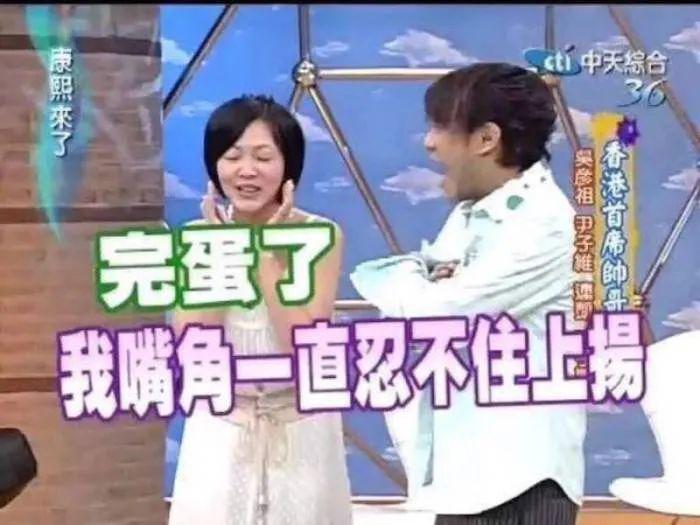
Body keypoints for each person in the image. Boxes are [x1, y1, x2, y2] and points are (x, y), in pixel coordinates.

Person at [350, 63, 586, 524]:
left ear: (486, 139)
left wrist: (417, 279)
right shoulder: (472, 211)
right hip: (465, 476)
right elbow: (425, 292)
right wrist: (423, 281)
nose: (429, 143)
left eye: (441, 127)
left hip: (519, 481)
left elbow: (433, 311)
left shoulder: (544, 224)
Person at [168, 95, 353, 525]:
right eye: (232, 157)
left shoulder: (320, 235)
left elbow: (304, 349)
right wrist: (223, 250)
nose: (247, 171)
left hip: (301, 422)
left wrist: (267, 260)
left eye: (263, 157)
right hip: (220, 422)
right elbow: (193, 347)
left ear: (289, 166)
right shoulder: (195, 238)